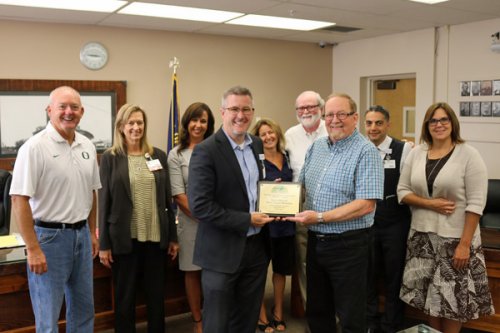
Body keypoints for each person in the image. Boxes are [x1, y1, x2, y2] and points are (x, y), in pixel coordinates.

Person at [288, 93, 383, 333]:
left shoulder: (366, 151)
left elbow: (365, 204)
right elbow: (303, 186)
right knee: (318, 311)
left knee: (351, 315)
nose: (334, 120)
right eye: (330, 114)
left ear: (355, 117)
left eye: (342, 114)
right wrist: (278, 196)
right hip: (315, 243)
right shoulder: (317, 147)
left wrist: (320, 217)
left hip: (348, 246)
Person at [10, 86, 101, 332]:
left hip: (81, 236)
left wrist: (92, 232)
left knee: (84, 311)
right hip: (48, 240)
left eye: (74, 107)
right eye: (62, 107)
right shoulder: (34, 147)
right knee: (48, 318)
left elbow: (91, 191)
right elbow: (19, 199)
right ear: (49, 110)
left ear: (82, 112)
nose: (68, 112)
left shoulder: (87, 146)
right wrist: (33, 249)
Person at [397, 102, 494, 333]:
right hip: (422, 238)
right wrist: (430, 203)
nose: (439, 124)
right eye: (433, 120)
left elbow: (476, 204)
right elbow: (402, 191)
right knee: (430, 301)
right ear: (427, 125)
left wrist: (464, 245)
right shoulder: (417, 153)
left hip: (455, 240)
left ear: (452, 123)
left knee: (452, 303)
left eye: (444, 120)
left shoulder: (469, 154)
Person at [188, 86, 274, 333]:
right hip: (221, 252)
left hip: (256, 249)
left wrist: (270, 193)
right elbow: (201, 206)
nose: (240, 115)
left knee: (247, 319)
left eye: (246, 109)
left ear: (253, 111)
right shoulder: (206, 150)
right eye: (234, 109)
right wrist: (247, 219)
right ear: (223, 111)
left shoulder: (257, 144)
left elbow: (250, 188)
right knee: (218, 322)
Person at [98, 104, 179, 333]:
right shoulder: (110, 158)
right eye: (130, 123)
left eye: (140, 122)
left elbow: (167, 201)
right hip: (124, 240)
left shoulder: (158, 155)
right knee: (125, 300)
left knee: (156, 297)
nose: (136, 127)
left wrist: (172, 237)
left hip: (155, 239)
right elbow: (104, 202)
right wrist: (104, 244)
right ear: (121, 127)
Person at [364, 105, 412, 333]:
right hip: (366, 223)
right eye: (369, 123)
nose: (373, 128)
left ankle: (392, 324)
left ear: (388, 124)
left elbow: (409, 186)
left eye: (378, 123)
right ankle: (370, 322)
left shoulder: (403, 149)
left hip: (395, 223)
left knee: (394, 277)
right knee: (368, 274)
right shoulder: (360, 148)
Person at [167, 102, 215, 333]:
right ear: (187, 123)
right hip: (192, 222)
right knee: (193, 272)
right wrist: (208, 217)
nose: (198, 125)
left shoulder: (217, 149)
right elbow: (178, 194)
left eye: (203, 121)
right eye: (194, 120)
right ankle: (198, 321)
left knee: (216, 273)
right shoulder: (176, 154)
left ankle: (217, 317)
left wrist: (218, 218)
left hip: (218, 223)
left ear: (209, 124)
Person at [284, 91, 327, 308]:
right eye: (301, 108)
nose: (306, 111)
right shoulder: (290, 135)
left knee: (328, 262)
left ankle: (335, 315)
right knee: (304, 261)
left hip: (330, 203)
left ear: (321, 108)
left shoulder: (332, 130)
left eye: (310, 107)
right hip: (300, 201)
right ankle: (314, 314)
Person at [251, 119, 295, 333]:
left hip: (285, 224)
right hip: (263, 225)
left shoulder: (287, 157)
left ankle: (278, 312)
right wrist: (268, 189)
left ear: (277, 134)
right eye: (262, 134)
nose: (268, 137)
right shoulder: (253, 160)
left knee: (281, 270)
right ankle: (260, 316)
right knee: (259, 270)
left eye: (271, 133)